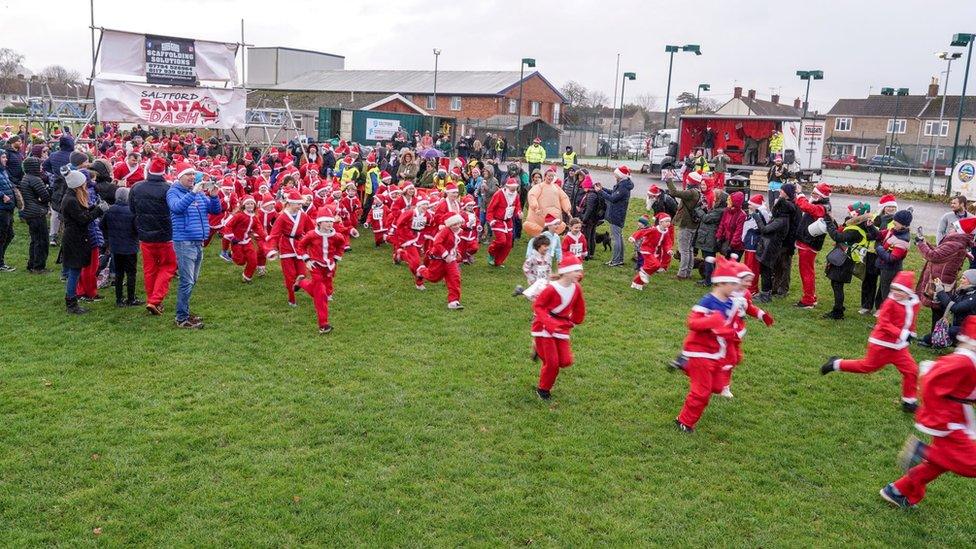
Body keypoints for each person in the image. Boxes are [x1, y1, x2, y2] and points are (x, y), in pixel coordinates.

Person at [880, 315, 976, 509]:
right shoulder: (965, 361)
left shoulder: (969, 359)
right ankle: (921, 450)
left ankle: (897, 491)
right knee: (971, 463)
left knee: (940, 464)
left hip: (956, 416)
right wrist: (938, 417)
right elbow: (932, 378)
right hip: (949, 419)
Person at [820, 270, 921, 413]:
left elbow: (912, 319)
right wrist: (902, 333)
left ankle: (909, 401)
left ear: (909, 292)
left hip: (899, 347)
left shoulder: (914, 303)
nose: (896, 293)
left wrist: (911, 332)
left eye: (900, 291)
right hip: (881, 345)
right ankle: (835, 364)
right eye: (894, 290)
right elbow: (884, 323)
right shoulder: (889, 303)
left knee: (911, 371)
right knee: (866, 367)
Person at [673, 255, 742, 432]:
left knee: (718, 387)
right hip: (699, 351)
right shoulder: (708, 301)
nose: (736, 288)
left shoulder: (730, 303)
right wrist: (712, 321)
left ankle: (685, 363)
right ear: (720, 283)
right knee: (701, 392)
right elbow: (692, 323)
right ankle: (684, 422)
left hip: (716, 353)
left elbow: (729, 326)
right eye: (732, 284)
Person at [166, 162, 223, 329]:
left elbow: (214, 211)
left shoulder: (197, 193)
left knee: (192, 280)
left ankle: (184, 311)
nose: (192, 177)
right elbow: (176, 208)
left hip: (197, 241)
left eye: (193, 174)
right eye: (188, 174)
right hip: (184, 241)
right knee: (187, 280)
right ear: (179, 177)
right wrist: (192, 193)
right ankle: (181, 318)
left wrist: (214, 196)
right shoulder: (173, 192)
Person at [531, 255, 586, 400]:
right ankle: (543, 390)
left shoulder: (576, 288)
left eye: (580, 270)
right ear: (566, 272)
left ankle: (538, 348)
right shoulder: (551, 289)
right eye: (576, 271)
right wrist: (548, 322)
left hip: (562, 326)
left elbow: (579, 307)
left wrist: (575, 321)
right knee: (552, 363)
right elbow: (538, 306)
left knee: (566, 361)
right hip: (543, 326)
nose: (580, 274)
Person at [129, 157, 177, 316]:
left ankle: (153, 300)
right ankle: (155, 300)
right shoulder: (169, 188)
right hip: (165, 235)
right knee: (168, 266)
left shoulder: (136, 188)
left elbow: (132, 210)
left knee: (150, 269)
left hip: (145, 235)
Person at [915, 216, 975, 333]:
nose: (950, 229)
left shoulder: (954, 244)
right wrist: (925, 242)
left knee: (938, 309)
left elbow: (933, 256)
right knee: (939, 309)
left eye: (953, 227)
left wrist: (920, 244)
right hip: (945, 279)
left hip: (940, 280)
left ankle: (936, 338)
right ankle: (936, 336)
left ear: (959, 231)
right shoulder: (957, 242)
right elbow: (939, 253)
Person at [61, 170, 109, 314]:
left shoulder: (72, 197)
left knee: (76, 271)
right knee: (75, 271)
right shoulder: (71, 200)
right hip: (74, 239)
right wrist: (98, 211)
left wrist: (94, 207)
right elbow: (83, 219)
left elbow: (82, 214)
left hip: (77, 237)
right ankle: (71, 302)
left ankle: (72, 299)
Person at [294, 206, 348, 334]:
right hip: (315, 266)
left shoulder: (336, 236)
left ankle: (301, 282)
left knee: (321, 288)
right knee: (321, 294)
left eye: (331, 221)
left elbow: (341, 245)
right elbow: (301, 246)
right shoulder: (312, 235)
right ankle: (323, 324)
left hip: (328, 265)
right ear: (319, 222)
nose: (329, 224)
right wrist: (307, 260)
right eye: (326, 221)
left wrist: (335, 259)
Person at [822, 204, 876, 320]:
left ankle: (838, 312)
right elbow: (841, 232)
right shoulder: (859, 227)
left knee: (837, 285)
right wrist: (833, 221)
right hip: (846, 259)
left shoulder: (855, 230)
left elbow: (837, 236)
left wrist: (828, 222)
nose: (848, 214)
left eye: (851, 212)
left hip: (844, 261)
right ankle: (839, 307)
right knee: (835, 283)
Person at [266, 190, 315, 306]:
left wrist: (317, 241)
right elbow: (274, 234)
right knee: (290, 275)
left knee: (302, 273)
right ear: (290, 204)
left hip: (299, 245)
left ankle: (300, 285)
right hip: (286, 246)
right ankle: (291, 298)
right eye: (298, 204)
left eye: (300, 204)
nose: (300, 206)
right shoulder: (282, 217)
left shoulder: (303, 215)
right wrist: (272, 248)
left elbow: (310, 230)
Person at [794, 183, 833, 309]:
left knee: (806, 272)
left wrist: (800, 194)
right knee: (807, 271)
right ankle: (811, 296)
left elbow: (805, 206)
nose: (813, 195)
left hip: (809, 243)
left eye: (815, 194)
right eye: (813, 193)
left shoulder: (822, 207)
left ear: (821, 195)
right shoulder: (820, 204)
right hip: (806, 241)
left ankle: (808, 300)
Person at [102, 187, 142, 307]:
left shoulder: (110, 210)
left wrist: (109, 236)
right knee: (131, 273)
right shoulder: (132, 211)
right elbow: (137, 228)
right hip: (130, 246)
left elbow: (101, 225)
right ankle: (131, 298)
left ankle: (119, 299)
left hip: (116, 246)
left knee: (119, 273)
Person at [418, 213, 465, 310]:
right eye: (454, 224)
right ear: (449, 225)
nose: (457, 226)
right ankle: (421, 271)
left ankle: (453, 301)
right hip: (439, 259)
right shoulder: (445, 231)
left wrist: (457, 252)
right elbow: (437, 243)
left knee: (455, 277)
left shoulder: (459, 231)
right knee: (433, 278)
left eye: (458, 224)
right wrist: (445, 254)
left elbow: (455, 245)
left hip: (451, 260)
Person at [919, 270, 976, 347]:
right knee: (938, 309)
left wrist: (940, 291)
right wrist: (938, 292)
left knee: (952, 331)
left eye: (964, 278)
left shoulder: (973, 297)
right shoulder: (963, 291)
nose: (960, 280)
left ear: (971, 281)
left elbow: (955, 308)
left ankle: (933, 340)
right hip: (959, 325)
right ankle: (935, 337)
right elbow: (950, 300)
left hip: (970, 330)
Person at [860, 195, 896, 315]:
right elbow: (868, 233)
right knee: (869, 279)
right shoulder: (875, 217)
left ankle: (880, 307)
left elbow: (887, 236)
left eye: (893, 207)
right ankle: (866, 305)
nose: (890, 209)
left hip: (886, 254)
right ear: (883, 207)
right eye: (888, 206)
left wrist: (874, 234)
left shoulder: (896, 221)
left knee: (884, 282)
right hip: (872, 252)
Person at [595, 165, 634, 267]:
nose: (615, 176)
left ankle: (616, 260)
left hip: (616, 215)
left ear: (620, 175)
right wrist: (602, 188)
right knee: (619, 237)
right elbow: (613, 193)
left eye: (616, 175)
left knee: (616, 238)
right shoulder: (624, 184)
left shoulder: (623, 186)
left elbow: (612, 198)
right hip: (618, 214)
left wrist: (600, 191)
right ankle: (619, 259)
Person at [873, 209, 913, 309]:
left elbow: (892, 258)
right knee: (883, 291)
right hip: (885, 267)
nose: (893, 225)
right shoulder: (894, 231)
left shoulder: (902, 240)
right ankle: (880, 314)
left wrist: (879, 248)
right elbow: (880, 234)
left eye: (896, 224)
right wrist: (870, 227)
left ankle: (887, 315)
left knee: (886, 295)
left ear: (904, 224)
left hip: (891, 270)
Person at [667, 172, 703, 280]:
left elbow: (673, 192)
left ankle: (682, 274)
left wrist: (669, 180)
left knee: (684, 250)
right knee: (689, 249)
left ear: (691, 181)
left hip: (686, 224)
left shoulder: (691, 193)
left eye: (688, 180)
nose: (686, 181)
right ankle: (688, 272)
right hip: (693, 224)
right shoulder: (697, 191)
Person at [223, 195, 267, 283]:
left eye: (252, 204)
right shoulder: (239, 215)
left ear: (254, 205)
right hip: (236, 241)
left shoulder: (255, 217)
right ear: (243, 205)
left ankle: (247, 277)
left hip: (247, 241)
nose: (250, 205)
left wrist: (266, 237)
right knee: (241, 261)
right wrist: (232, 237)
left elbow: (258, 228)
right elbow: (228, 225)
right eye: (248, 204)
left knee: (253, 260)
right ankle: (232, 253)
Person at [18, 156, 51, 273]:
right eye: (39, 165)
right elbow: (46, 196)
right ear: (34, 167)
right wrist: (45, 198)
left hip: (29, 213)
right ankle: (39, 267)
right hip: (36, 213)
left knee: (35, 240)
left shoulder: (26, 178)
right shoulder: (35, 179)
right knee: (42, 241)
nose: (41, 167)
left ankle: (31, 264)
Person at [629, 212, 673, 290]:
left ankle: (636, 283)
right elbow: (642, 232)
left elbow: (667, 243)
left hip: (654, 252)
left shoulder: (666, 232)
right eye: (666, 221)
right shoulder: (653, 229)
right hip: (646, 250)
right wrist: (633, 237)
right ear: (660, 222)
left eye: (669, 221)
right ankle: (642, 271)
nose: (668, 223)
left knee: (651, 269)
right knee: (655, 265)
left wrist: (669, 250)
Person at [523, 166, 571, 238]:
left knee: (555, 232)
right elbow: (532, 195)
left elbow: (564, 198)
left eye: (552, 176)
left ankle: (550, 233)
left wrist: (567, 210)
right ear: (545, 176)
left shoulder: (556, 187)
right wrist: (535, 208)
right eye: (549, 176)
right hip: (540, 216)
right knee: (538, 236)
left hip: (554, 219)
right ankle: (539, 232)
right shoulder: (540, 186)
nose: (550, 177)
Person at [486, 178, 522, 267]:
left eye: (515, 187)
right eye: (512, 187)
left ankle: (498, 262)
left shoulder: (516, 195)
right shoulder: (499, 194)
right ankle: (491, 252)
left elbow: (517, 207)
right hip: (497, 221)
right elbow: (490, 209)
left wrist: (519, 213)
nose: (513, 189)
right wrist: (491, 220)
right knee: (501, 241)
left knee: (508, 244)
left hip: (508, 221)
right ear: (507, 186)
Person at [694, 190, 728, 285]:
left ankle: (708, 280)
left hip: (709, 238)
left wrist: (698, 209)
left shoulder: (719, 211)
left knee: (708, 260)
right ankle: (710, 279)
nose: (713, 199)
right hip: (708, 237)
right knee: (709, 260)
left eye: (715, 197)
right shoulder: (718, 209)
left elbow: (706, 218)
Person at [741, 194, 769, 295]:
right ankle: (749, 287)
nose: (749, 206)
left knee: (752, 267)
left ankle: (752, 289)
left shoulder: (759, 214)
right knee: (749, 266)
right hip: (750, 243)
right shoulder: (758, 213)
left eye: (750, 204)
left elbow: (755, 227)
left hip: (753, 244)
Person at [515, 236, 552, 300]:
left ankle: (521, 291)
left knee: (544, 294)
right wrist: (531, 278)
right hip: (535, 280)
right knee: (535, 297)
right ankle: (521, 291)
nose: (547, 248)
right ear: (538, 246)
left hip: (545, 279)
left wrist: (550, 277)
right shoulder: (533, 257)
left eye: (548, 246)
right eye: (545, 246)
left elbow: (549, 268)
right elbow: (526, 268)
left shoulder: (548, 257)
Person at [0, 151, 16, 272]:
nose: (6, 159)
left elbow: (8, 184)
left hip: (9, 208)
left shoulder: (4, 171)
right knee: (2, 236)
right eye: (3, 157)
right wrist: (2, 196)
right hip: (2, 208)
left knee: (9, 234)